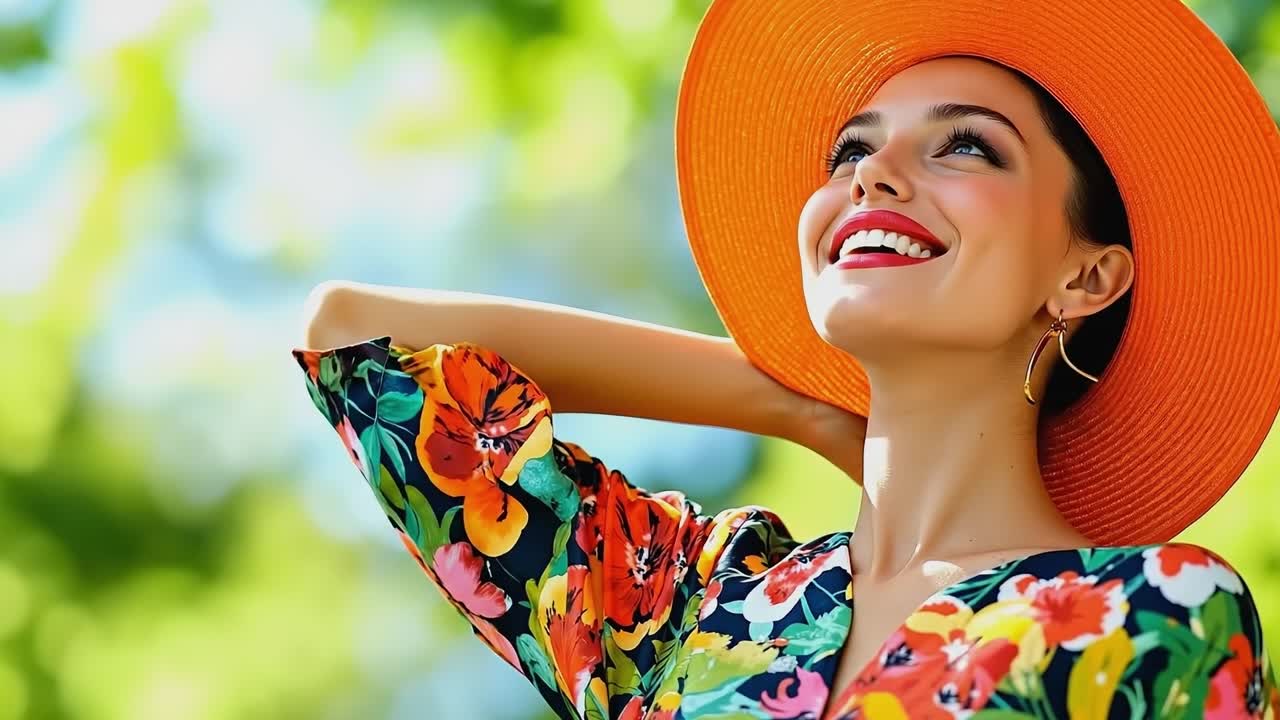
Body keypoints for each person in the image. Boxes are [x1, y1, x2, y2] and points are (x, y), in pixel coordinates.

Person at [291, 0, 1280, 717]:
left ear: (1084, 278)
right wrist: (794, 403)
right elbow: (357, 338)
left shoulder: (1155, 612)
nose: (871, 177)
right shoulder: (687, 602)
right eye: (848, 153)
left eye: (966, 148)